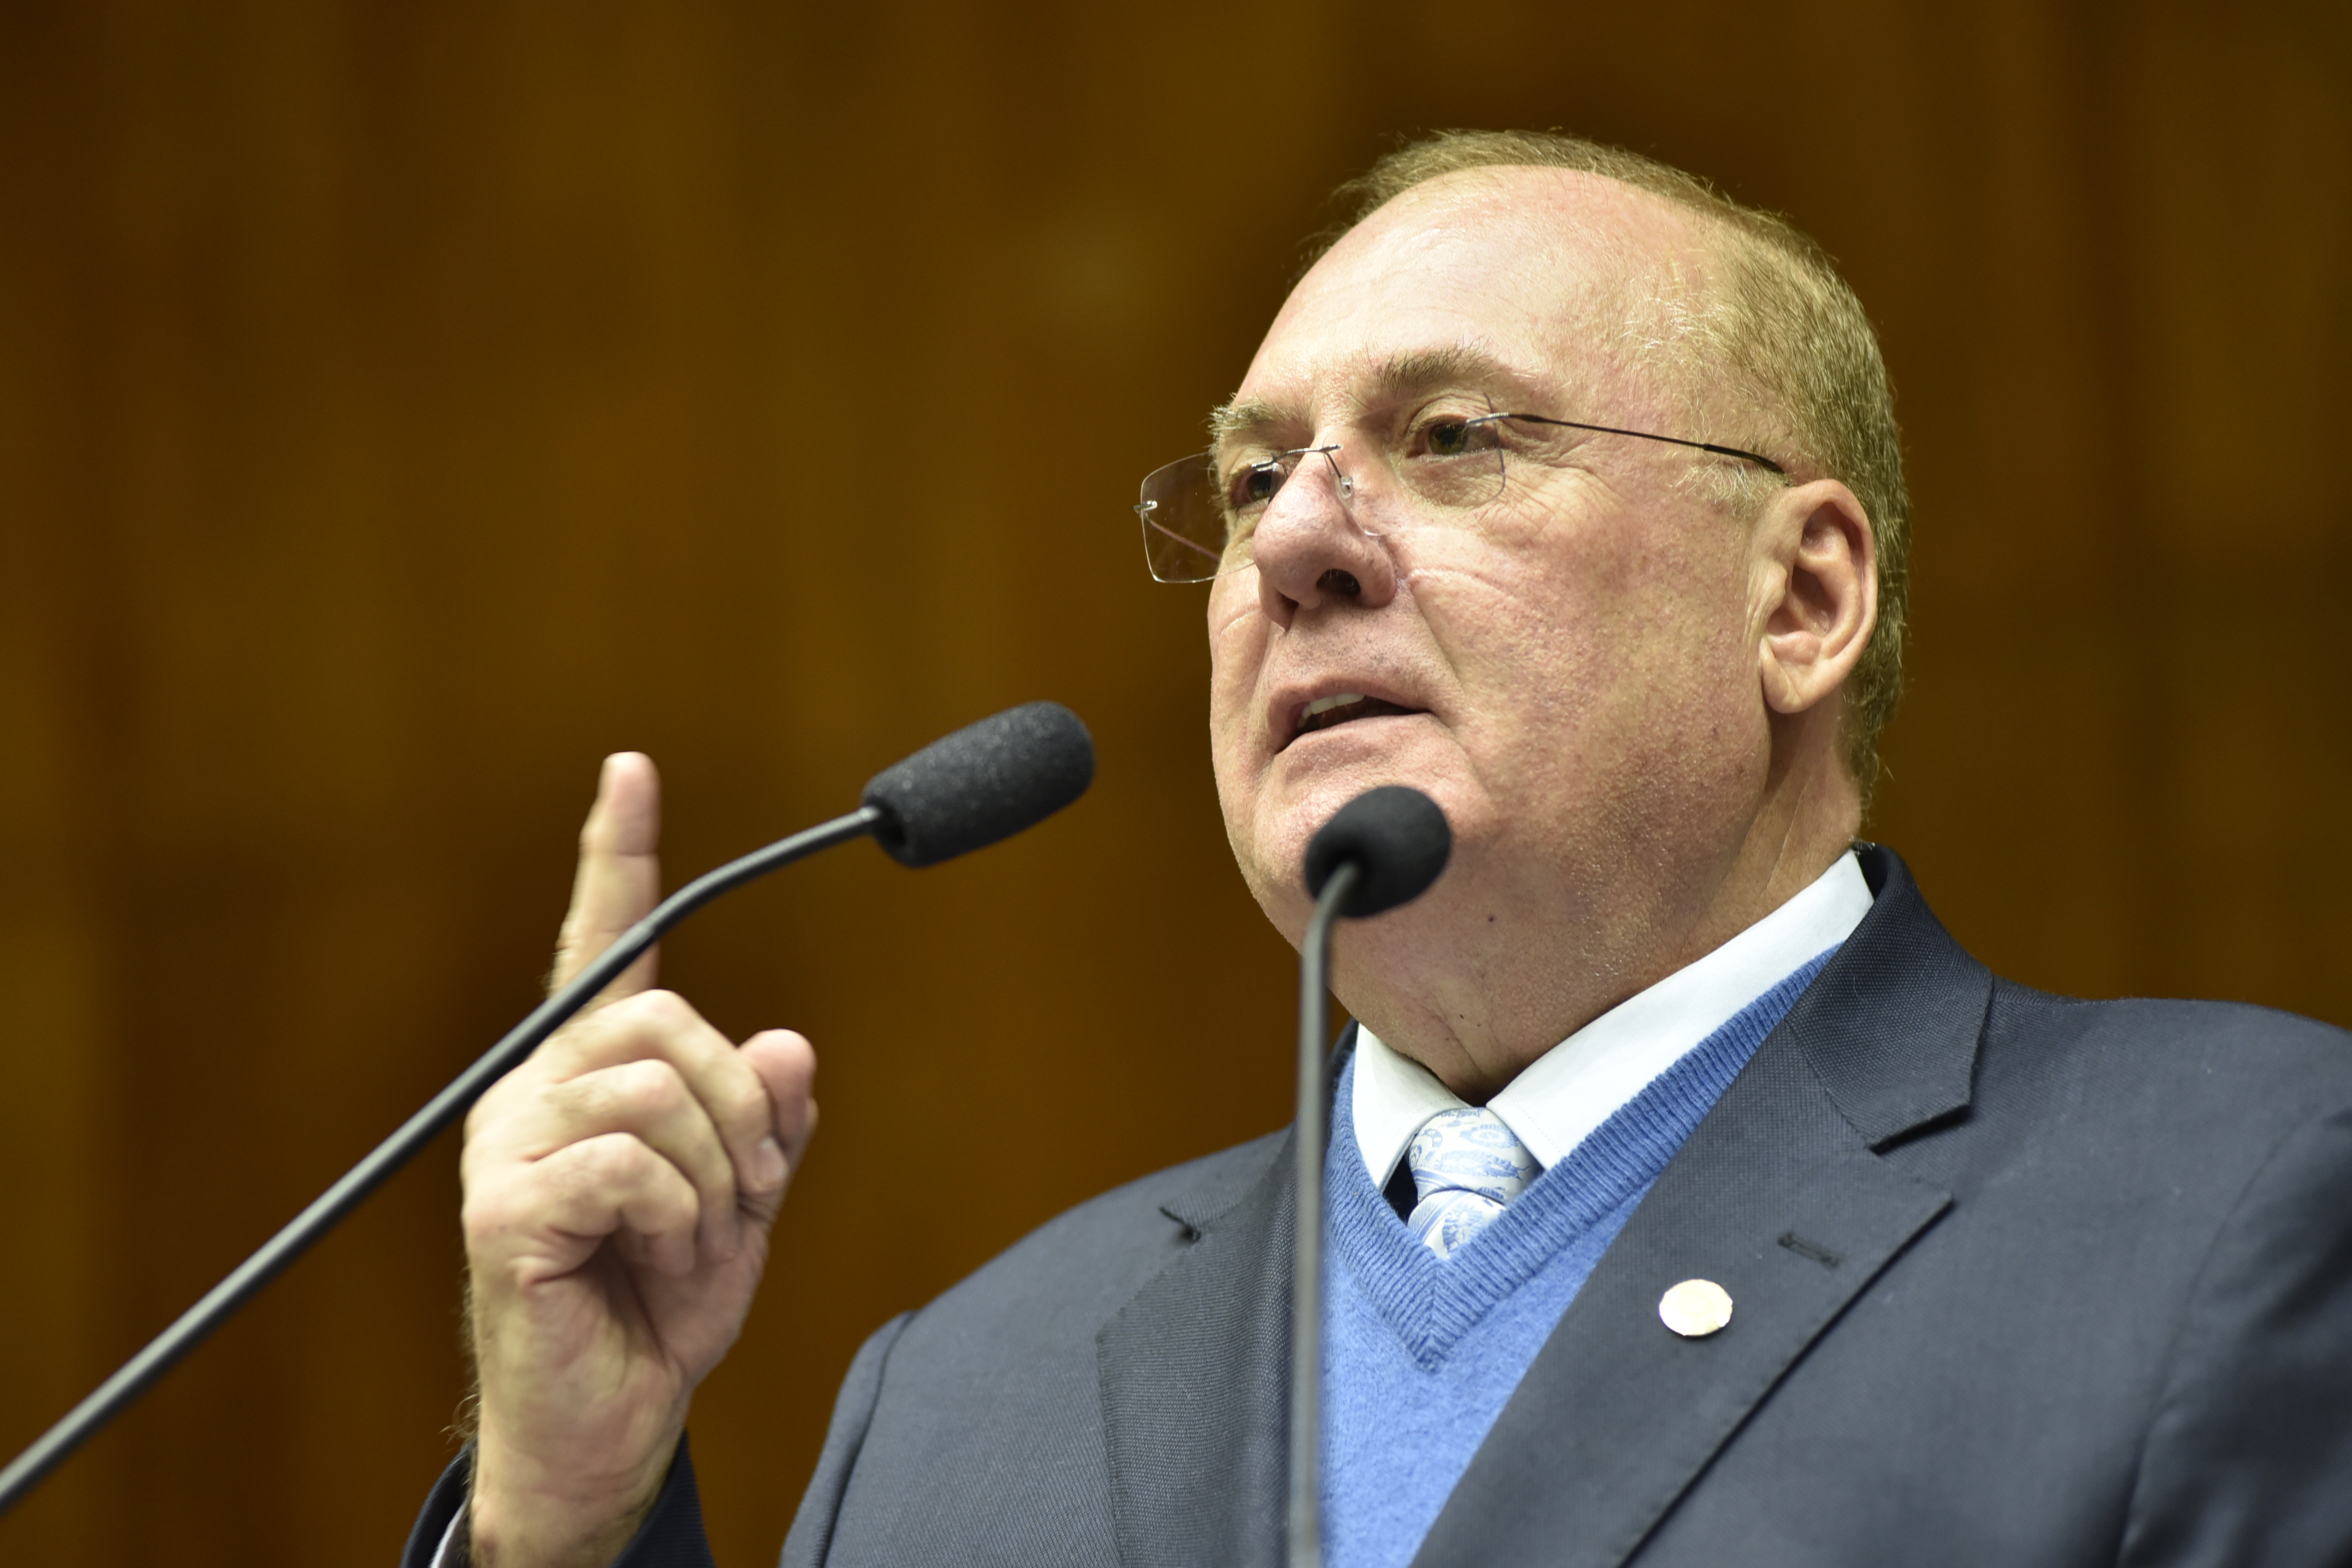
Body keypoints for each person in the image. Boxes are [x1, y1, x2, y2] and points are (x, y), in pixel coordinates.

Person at [405, 131, 2352, 1568]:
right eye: (1255, 475)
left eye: (1454, 439)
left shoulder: (2233, 1200)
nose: (1291, 544)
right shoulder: (974, 1388)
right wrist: (564, 1531)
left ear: (1801, 599)